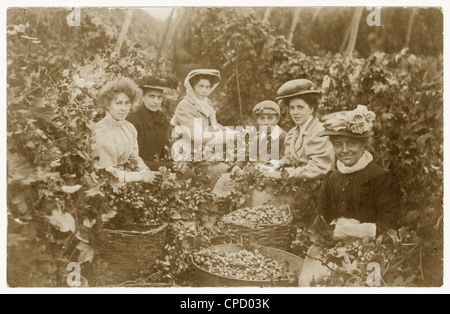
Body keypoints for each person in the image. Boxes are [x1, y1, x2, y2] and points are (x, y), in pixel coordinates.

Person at [316, 105, 401, 236]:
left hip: (369, 247)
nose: (344, 150)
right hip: (332, 242)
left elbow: (389, 225)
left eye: (351, 144)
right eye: (338, 145)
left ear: (364, 145)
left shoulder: (381, 178)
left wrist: (346, 231)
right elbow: (321, 220)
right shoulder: (331, 178)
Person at [92, 77, 160, 184]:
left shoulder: (129, 128)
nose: (124, 108)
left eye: (127, 103)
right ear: (107, 105)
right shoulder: (101, 130)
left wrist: (146, 172)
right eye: (118, 103)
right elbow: (107, 173)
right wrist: (140, 176)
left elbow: (134, 158)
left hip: (127, 181)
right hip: (106, 184)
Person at [264, 79, 334, 182]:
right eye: (292, 108)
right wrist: (274, 164)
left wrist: (286, 173)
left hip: (320, 187)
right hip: (301, 185)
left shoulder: (320, 132)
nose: (295, 112)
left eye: (300, 107)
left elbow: (319, 168)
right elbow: (290, 158)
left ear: (311, 109)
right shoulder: (292, 134)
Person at [127, 75, 174, 170]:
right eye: (152, 96)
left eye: (159, 97)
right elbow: (133, 160)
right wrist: (169, 166)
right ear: (143, 97)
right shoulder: (133, 120)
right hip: (141, 171)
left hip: (161, 168)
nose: (156, 101)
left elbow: (165, 149)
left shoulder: (161, 118)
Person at [170, 69, 222, 145]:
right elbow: (198, 137)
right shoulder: (185, 105)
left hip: (203, 147)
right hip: (186, 150)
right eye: (201, 86)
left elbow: (213, 125)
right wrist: (226, 136)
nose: (204, 91)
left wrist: (230, 131)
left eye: (207, 87)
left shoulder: (206, 103)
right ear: (192, 87)